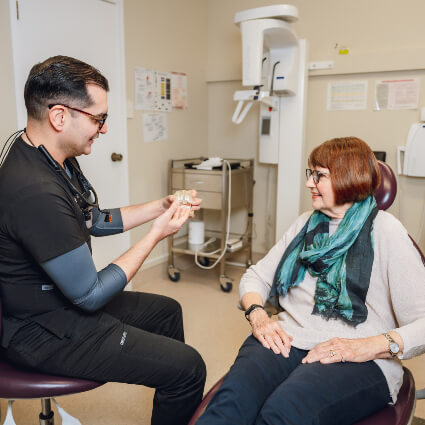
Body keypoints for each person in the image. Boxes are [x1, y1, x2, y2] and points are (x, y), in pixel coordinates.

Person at [0, 56, 206, 425]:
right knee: (189, 369)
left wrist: (160, 206)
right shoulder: (34, 191)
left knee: (167, 312)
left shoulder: (50, 156)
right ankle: (173, 379)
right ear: (60, 116)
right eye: (99, 119)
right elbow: (91, 294)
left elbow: (93, 218)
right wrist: (157, 233)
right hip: (41, 330)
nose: (104, 129)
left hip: (60, 303)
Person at [196, 137, 425, 425]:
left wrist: (362, 346)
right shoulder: (306, 223)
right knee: (229, 406)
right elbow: (256, 276)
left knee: (281, 413)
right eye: (310, 173)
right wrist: (258, 316)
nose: (309, 183)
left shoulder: (386, 232)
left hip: (360, 356)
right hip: (289, 336)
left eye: (320, 175)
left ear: (347, 178)